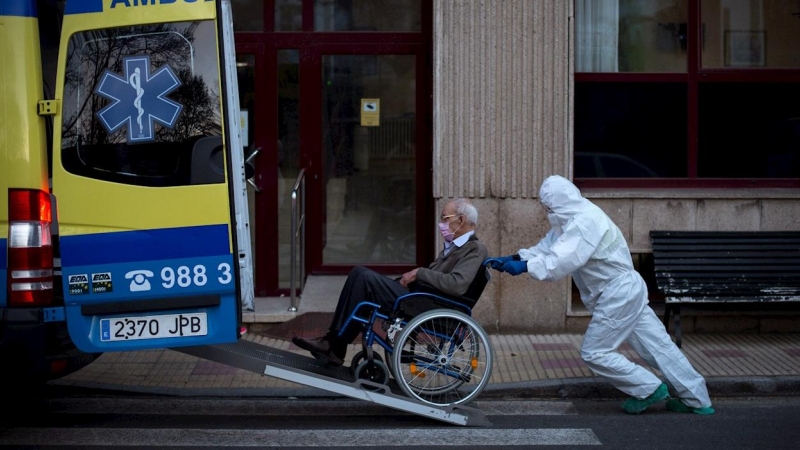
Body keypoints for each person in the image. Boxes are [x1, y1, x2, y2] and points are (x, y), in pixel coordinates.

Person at [489, 175, 714, 415]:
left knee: (595, 352)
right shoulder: (570, 218)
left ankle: (647, 388)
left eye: (548, 207)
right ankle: (697, 399)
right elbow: (548, 247)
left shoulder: (586, 221)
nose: (546, 211)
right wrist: (517, 257)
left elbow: (560, 260)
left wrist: (525, 266)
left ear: (559, 204)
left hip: (618, 294)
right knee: (659, 347)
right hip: (624, 291)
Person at [293, 198, 489, 367]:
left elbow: (457, 284)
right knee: (360, 281)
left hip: (430, 305)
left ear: (461, 220)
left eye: (445, 218)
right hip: (422, 298)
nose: (441, 224)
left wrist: (419, 273)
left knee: (361, 276)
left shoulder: (474, 249)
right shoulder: (454, 247)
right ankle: (335, 343)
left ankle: (334, 345)